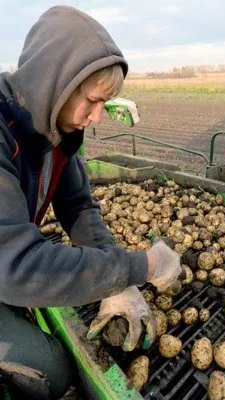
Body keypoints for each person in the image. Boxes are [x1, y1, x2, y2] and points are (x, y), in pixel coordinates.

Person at [0, 6, 181, 399]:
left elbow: (79, 207)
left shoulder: (57, 131)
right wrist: (142, 266)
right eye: (93, 101)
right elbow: (16, 266)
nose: (98, 117)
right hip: (5, 265)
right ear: (54, 82)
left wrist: (115, 281)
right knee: (50, 374)